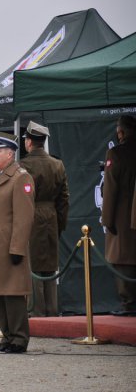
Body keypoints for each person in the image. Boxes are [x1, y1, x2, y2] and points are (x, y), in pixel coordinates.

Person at [0, 131, 35, 353]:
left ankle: (19, 340)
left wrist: (18, 247)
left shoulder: (21, 177)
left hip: (10, 247)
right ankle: (7, 338)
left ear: (10, 154)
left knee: (13, 295)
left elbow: (24, 217)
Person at [19, 121, 69, 317]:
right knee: (50, 266)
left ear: (29, 142)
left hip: (32, 216)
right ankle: (52, 310)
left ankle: (37, 312)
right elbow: (64, 199)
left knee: (34, 267)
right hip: (52, 216)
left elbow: (21, 199)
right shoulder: (58, 165)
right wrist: (60, 224)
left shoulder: (23, 165)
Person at [101, 115, 136, 316]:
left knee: (123, 260)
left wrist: (107, 220)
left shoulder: (116, 154)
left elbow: (110, 190)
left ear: (120, 132)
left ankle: (129, 305)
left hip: (122, 217)